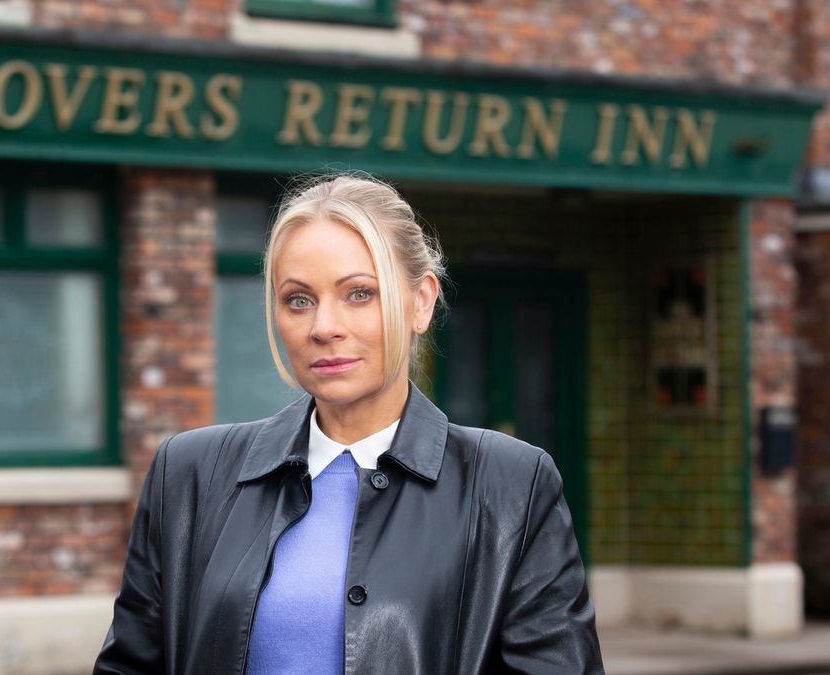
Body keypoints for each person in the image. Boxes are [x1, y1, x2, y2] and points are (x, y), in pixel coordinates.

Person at [93, 173, 603, 674]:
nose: (324, 328)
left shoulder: (512, 486)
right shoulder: (189, 475)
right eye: (299, 299)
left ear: (421, 301)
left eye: (359, 293)